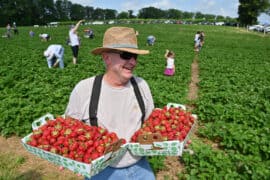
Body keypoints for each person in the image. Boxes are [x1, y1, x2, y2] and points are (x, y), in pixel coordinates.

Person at [65, 27, 155, 180]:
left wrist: (173, 140)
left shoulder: (141, 85)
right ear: (106, 58)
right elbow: (69, 129)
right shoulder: (85, 89)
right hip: (102, 171)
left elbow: (151, 126)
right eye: (126, 55)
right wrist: (69, 154)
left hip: (141, 167)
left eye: (135, 56)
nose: (133, 62)